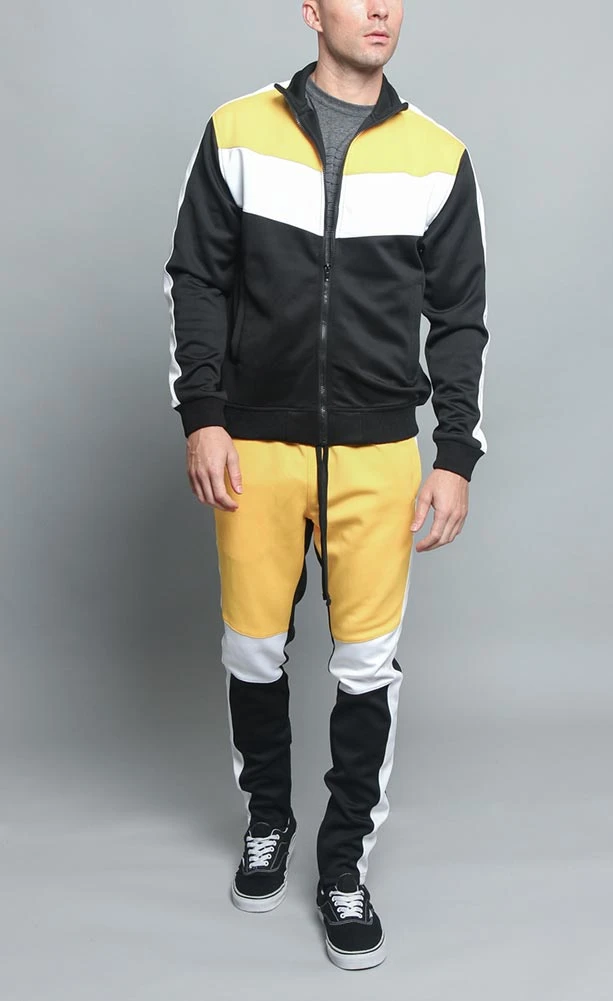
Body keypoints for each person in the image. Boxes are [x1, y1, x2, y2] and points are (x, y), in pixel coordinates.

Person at [163, 0, 490, 971]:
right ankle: (268, 818)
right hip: (253, 446)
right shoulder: (236, 132)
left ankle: (342, 863)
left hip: (377, 454)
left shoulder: (438, 155)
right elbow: (195, 276)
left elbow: (461, 317)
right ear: (310, 9)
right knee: (252, 647)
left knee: (366, 664)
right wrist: (203, 413)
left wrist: (455, 453)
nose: (381, 9)